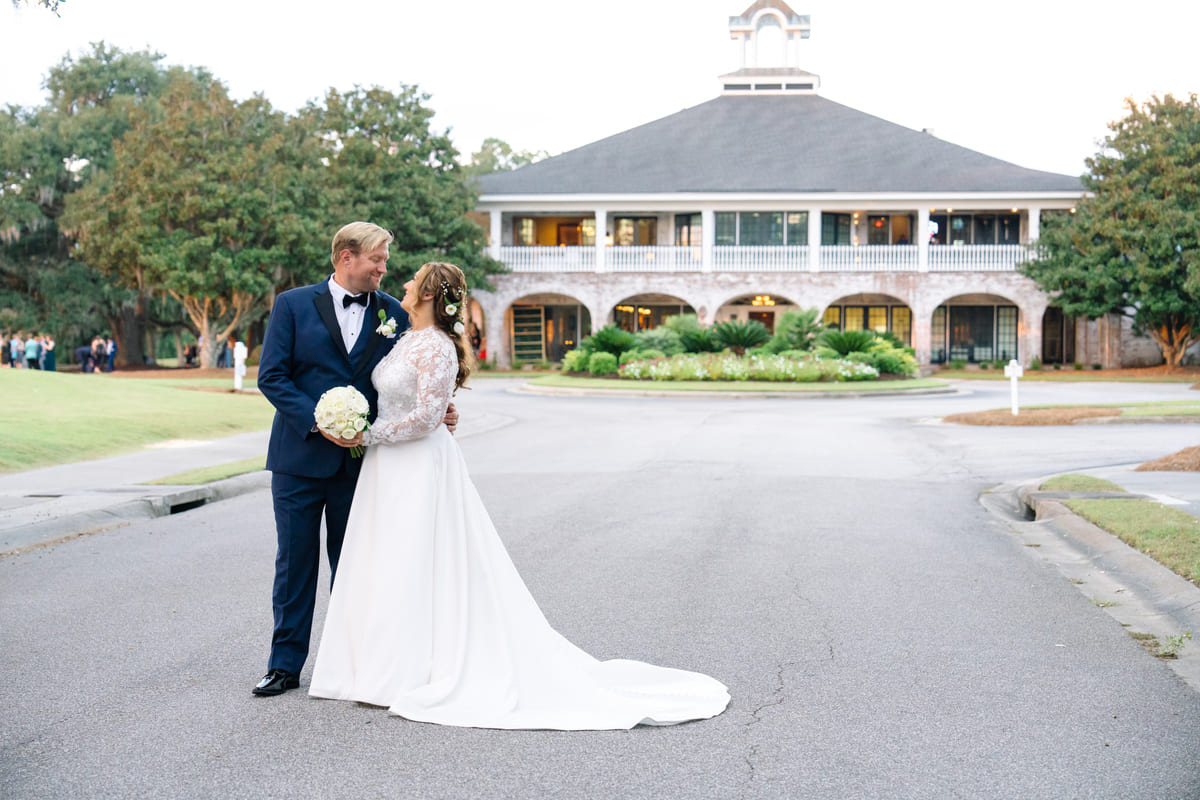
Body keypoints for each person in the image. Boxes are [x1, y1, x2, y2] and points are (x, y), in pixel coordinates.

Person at [308, 262, 729, 729]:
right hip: (387, 469)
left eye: (413, 281)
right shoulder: (406, 338)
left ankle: (413, 669)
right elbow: (410, 400)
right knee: (388, 561)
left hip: (418, 466)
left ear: (428, 293)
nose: (403, 284)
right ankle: (375, 668)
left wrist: (367, 434)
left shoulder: (438, 347)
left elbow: (426, 419)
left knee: (420, 560)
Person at [252, 221, 457, 697]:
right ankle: (284, 666)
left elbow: (416, 378)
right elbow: (273, 377)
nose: (385, 269)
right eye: (377, 259)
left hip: (364, 464)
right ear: (346, 257)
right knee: (294, 565)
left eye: (386, 260)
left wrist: (441, 407)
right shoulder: (292, 305)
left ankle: (353, 665)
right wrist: (319, 419)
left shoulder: (395, 314)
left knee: (357, 567)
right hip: (298, 459)